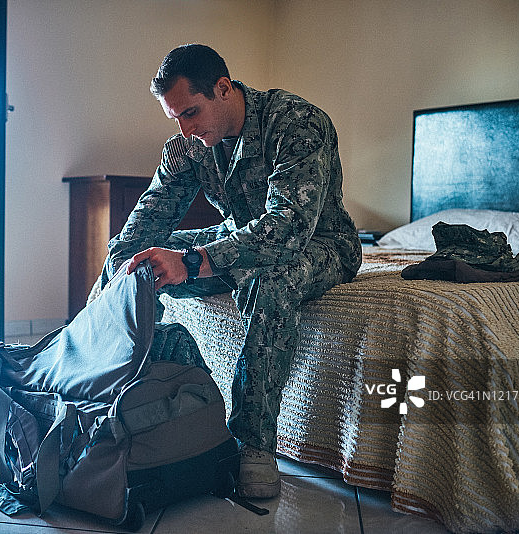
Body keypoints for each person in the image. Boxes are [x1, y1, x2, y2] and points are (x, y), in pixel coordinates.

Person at [100, 44, 362, 499]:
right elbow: (148, 220)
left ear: (224, 89)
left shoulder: (297, 124)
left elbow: (288, 230)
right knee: (142, 259)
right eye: (175, 117)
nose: (185, 128)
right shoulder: (188, 146)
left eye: (191, 112)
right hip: (239, 240)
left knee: (270, 277)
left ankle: (254, 442)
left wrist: (196, 261)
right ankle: (110, 385)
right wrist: (112, 276)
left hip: (319, 243)